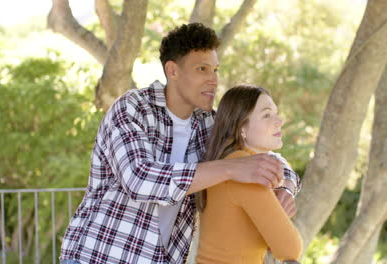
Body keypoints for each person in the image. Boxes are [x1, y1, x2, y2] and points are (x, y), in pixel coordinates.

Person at [59, 23, 300, 264]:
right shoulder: (132, 108)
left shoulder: (209, 124)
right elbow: (139, 180)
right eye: (202, 69)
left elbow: (265, 157)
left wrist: (285, 186)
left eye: (215, 70)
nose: (213, 80)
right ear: (172, 70)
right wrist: (231, 168)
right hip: (98, 257)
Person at [195, 85, 303, 264]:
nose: (279, 121)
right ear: (241, 128)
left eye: (276, 113)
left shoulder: (230, 161)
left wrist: (286, 188)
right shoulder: (247, 170)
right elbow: (290, 248)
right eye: (267, 115)